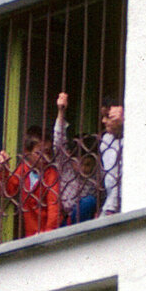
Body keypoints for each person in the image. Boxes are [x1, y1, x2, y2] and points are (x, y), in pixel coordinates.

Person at [0, 126, 61, 236]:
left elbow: (54, 207)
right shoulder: (23, 169)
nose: (45, 157)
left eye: (48, 152)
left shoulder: (51, 174)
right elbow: (7, 191)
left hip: (48, 232)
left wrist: (49, 234)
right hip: (31, 232)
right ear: (27, 153)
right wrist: (4, 171)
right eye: (39, 153)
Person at [53, 92, 100, 225]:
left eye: (89, 164)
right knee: (88, 201)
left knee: (90, 201)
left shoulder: (96, 176)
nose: (85, 168)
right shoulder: (65, 166)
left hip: (88, 220)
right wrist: (61, 112)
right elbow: (58, 142)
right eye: (82, 163)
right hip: (67, 220)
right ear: (72, 158)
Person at [98, 98, 123, 216]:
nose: (103, 121)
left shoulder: (129, 138)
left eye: (107, 116)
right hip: (109, 202)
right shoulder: (106, 141)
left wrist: (125, 122)